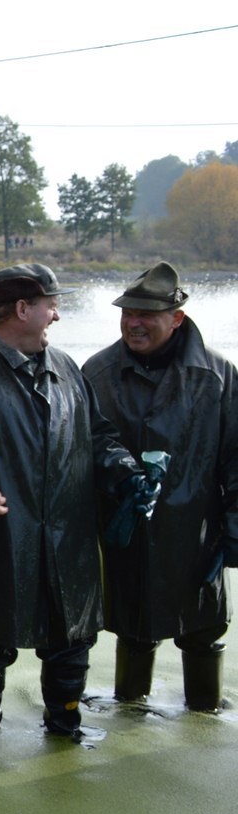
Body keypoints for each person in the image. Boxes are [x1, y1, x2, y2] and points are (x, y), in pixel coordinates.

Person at [0, 263, 147, 736]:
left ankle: (66, 724)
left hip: (67, 537)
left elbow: (95, 435)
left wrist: (124, 467)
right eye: (51, 305)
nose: (57, 315)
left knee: (70, 640)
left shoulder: (65, 368)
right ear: (22, 309)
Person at [83, 262, 238, 711]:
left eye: (146, 314)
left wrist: (234, 528)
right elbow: (84, 448)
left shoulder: (217, 376)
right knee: (134, 628)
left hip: (197, 533)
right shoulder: (97, 373)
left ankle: (205, 712)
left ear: (177, 319)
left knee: (203, 632)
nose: (133, 322)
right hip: (123, 530)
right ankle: (129, 709)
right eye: (128, 312)